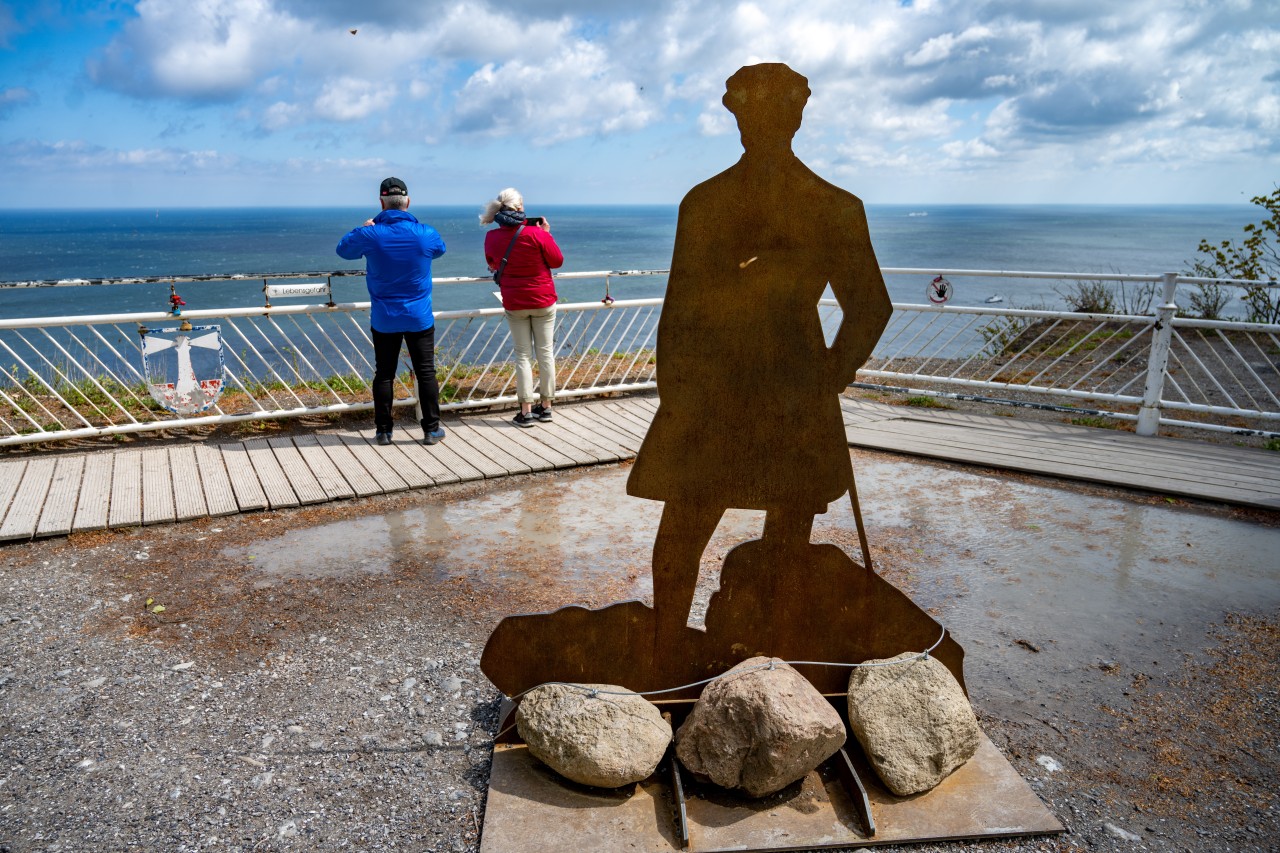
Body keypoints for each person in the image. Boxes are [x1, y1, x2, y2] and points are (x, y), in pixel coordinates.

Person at [626, 63, 893, 641]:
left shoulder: (707, 201)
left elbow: (679, 314)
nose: (759, 124)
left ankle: (671, 642)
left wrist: (676, 394)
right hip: (788, 386)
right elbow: (871, 308)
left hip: (725, 387)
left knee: (688, 526)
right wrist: (830, 374)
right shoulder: (832, 204)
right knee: (771, 526)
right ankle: (762, 645)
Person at [336, 177, 448, 446]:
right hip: (419, 316)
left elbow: (343, 250)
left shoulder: (371, 234)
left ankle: (384, 431)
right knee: (426, 372)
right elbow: (439, 250)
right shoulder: (425, 233)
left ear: (381, 203)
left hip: (385, 317)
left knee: (384, 373)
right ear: (407, 202)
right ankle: (431, 429)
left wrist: (362, 228)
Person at [480, 188, 564, 427]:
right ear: (519, 209)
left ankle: (525, 411)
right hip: (543, 300)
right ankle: (546, 408)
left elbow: (493, 263)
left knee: (523, 355)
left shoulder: (492, 237)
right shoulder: (537, 234)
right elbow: (557, 261)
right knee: (545, 353)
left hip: (515, 302)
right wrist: (546, 234)